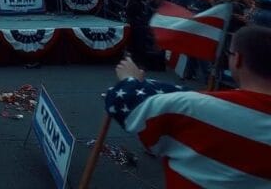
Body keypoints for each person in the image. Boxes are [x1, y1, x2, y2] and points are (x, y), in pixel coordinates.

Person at [105, 25, 271, 187]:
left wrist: (129, 80)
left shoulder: (194, 108)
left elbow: (129, 107)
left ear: (238, 59)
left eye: (230, 53)